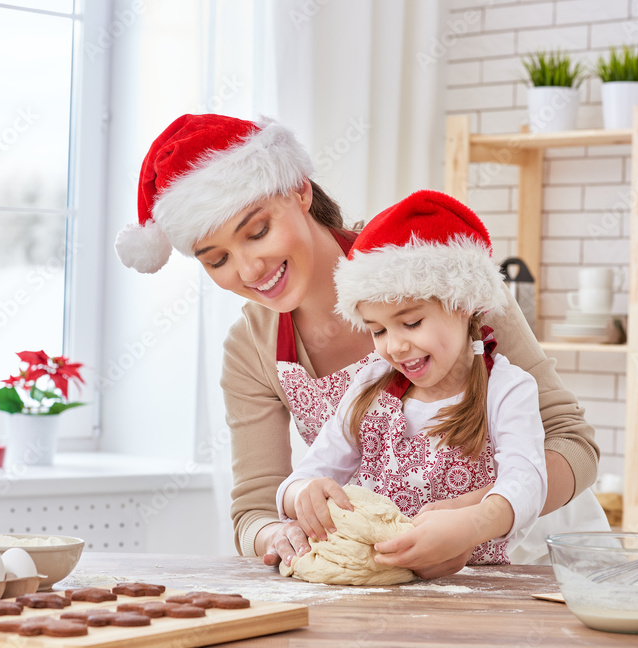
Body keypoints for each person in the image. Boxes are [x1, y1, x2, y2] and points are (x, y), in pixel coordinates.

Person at [116, 113, 607, 577]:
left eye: (258, 231)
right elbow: (257, 508)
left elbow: (574, 442)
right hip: (407, 576)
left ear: (299, 190)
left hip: (539, 558)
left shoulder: (433, 263)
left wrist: (483, 516)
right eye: (217, 259)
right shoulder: (253, 348)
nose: (248, 270)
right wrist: (283, 530)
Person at [278, 190, 546, 569]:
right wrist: (303, 493)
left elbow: (528, 481)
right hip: (379, 587)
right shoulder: (370, 386)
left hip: (476, 590)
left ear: (464, 303)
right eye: (378, 330)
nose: (395, 347)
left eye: (411, 323)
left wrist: (471, 525)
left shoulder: (506, 388)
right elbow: (304, 476)